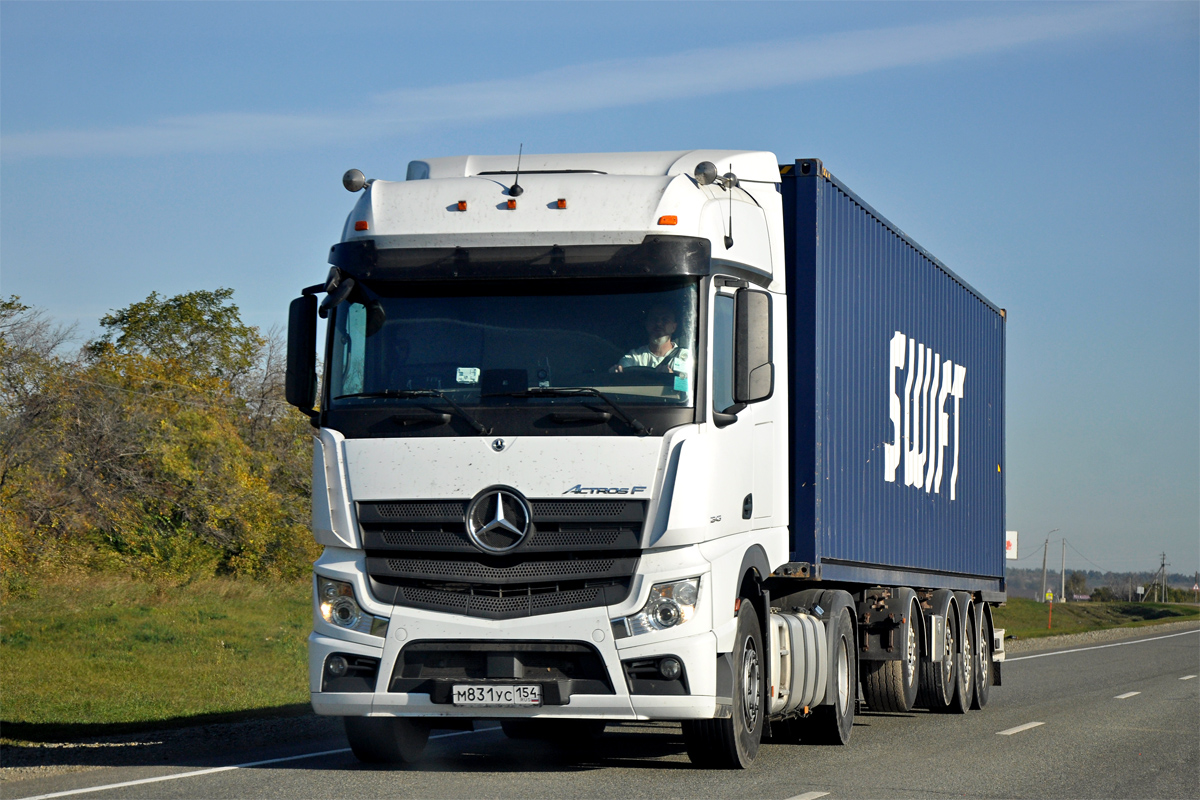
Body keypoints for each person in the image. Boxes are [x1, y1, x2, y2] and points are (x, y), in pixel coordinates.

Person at [611, 304, 690, 374]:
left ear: (674, 327)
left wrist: (671, 377)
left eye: (665, 319)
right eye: (654, 319)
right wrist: (616, 373)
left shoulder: (685, 357)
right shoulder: (634, 357)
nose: (658, 323)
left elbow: (689, 386)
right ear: (647, 324)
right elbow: (621, 376)